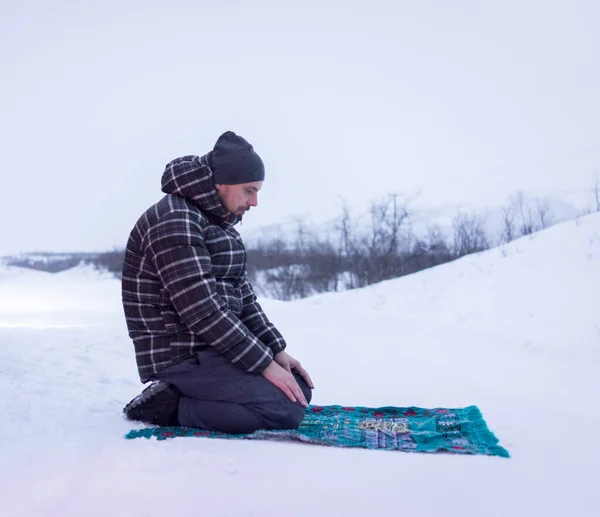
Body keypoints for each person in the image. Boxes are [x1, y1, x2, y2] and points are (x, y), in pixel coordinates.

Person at [121, 131, 313, 433]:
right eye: (249, 191)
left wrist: (276, 351)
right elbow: (203, 311)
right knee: (284, 409)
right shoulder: (175, 220)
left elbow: (243, 297)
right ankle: (169, 407)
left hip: (210, 346)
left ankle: (183, 395)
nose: (255, 202)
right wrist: (263, 365)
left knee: (297, 388)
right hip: (180, 352)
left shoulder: (217, 222)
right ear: (221, 183)